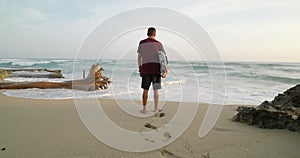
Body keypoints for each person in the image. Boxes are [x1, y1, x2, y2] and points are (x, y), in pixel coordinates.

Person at [137, 27, 168, 114]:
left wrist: (140, 68)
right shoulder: (159, 44)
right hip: (156, 70)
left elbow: (139, 57)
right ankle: (156, 109)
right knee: (156, 90)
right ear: (155, 34)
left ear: (147, 33)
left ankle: (144, 109)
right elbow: (164, 58)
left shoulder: (142, 43)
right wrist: (166, 70)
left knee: (145, 90)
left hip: (146, 69)